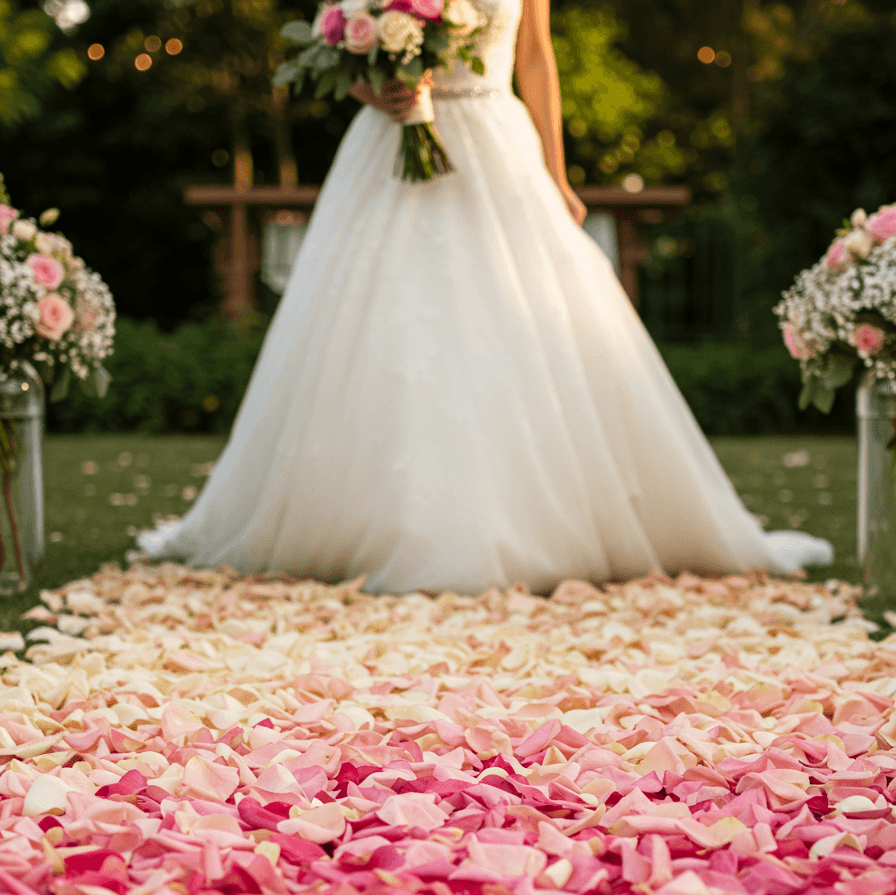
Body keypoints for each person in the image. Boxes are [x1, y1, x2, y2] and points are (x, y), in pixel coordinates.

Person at [138, 0, 832, 593]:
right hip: (391, 151)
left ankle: (534, 524)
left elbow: (536, 59)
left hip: (500, 150)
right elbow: (340, 46)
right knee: (394, 329)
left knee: (522, 321)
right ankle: (379, 522)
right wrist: (376, 90)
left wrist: (558, 174)